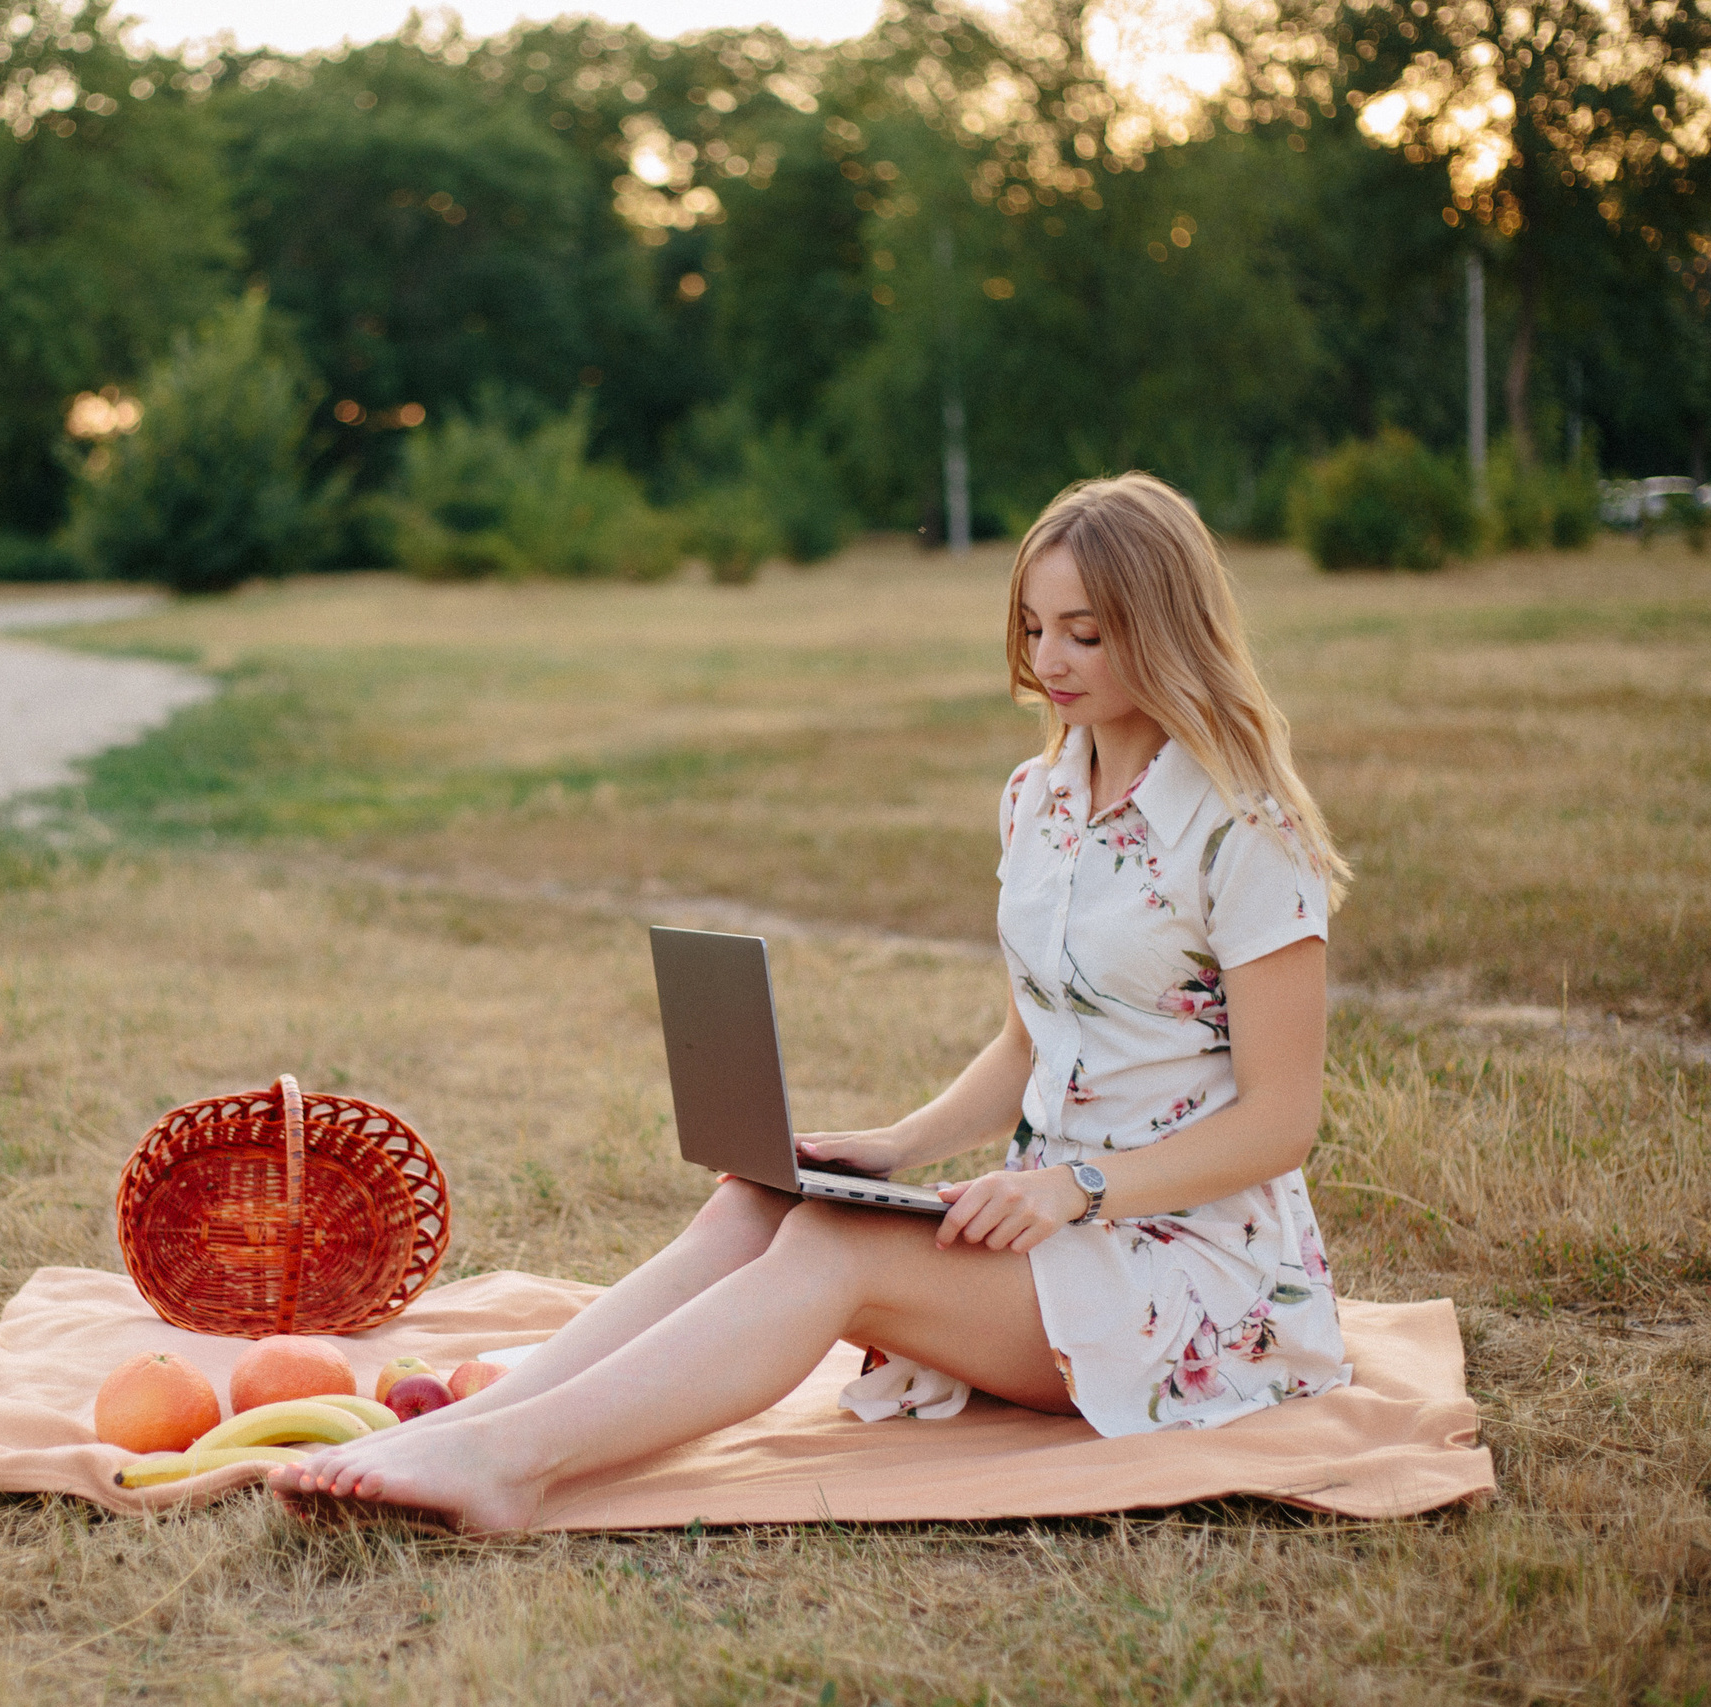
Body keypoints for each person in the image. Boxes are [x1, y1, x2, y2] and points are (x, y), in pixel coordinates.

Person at [274, 471, 1356, 1532]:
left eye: (1084, 632)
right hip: (1046, 1225)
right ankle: (466, 1422)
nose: (1047, 661)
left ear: (1160, 629)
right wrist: (894, 1146)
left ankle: (505, 1466)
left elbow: (1278, 1122)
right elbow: (1036, 1037)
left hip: (1196, 1271)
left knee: (837, 1254)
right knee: (763, 1203)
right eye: (1031, 628)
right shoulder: (1039, 800)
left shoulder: (1241, 833)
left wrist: (1076, 1187)